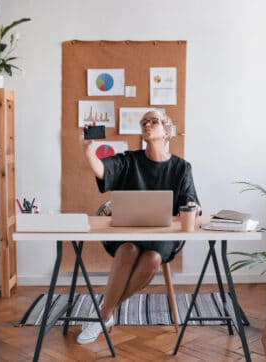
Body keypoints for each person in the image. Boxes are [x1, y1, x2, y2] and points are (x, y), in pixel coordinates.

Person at [77, 110, 200, 345]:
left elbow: (191, 203)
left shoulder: (182, 168)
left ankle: (104, 313)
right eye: (144, 122)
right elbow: (102, 170)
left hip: (163, 236)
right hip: (127, 234)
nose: (147, 124)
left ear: (167, 131)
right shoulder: (129, 160)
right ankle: (106, 315)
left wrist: (193, 206)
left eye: (154, 121)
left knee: (153, 258)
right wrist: (87, 150)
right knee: (128, 250)